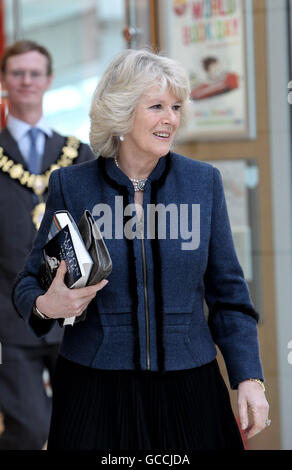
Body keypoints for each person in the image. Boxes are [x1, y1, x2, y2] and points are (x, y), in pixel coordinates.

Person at [12, 49, 269, 451]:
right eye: (156, 106)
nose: (171, 118)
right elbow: (28, 284)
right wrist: (49, 305)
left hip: (190, 388)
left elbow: (229, 296)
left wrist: (249, 377)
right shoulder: (72, 186)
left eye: (176, 107)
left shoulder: (203, 184)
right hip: (95, 392)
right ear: (122, 110)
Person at [0, 40, 95, 450]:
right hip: (8, 318)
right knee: (31, 431)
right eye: (17, 73)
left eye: (34, 73)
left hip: (74, 321)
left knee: (83, 429)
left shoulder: (77, 154)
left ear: (49, 81)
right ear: (4, 81)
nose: (26, 81)